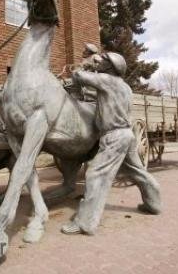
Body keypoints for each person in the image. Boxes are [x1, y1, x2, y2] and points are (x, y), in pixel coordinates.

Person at [61, 52, 162, 235]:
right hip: (126, 134)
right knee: (137, 171)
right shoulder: (124, 87)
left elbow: (78, 76)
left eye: (104, 61)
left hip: (114, 136)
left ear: (110, 67)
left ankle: (85, 223)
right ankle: (153, 203)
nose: (100, 62)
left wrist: (84, 65)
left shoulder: (107, 80)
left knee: (95, 175)